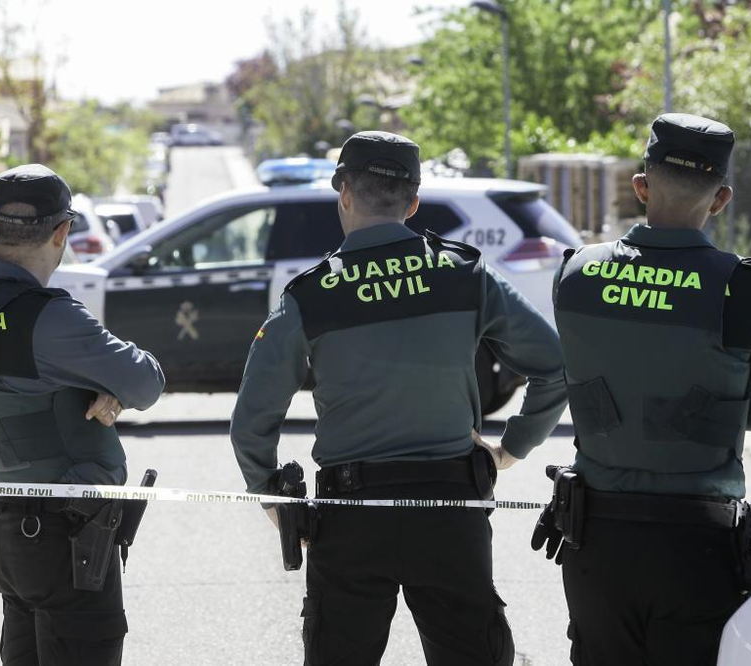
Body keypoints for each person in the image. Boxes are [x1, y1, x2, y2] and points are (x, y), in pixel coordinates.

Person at [230, 131, 568, 665]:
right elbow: (555, 365)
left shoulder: (310, 296)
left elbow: (252, 420)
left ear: (343, 194)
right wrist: (510, 450)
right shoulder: (465, 275)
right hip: (451, 511)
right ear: (413, 203)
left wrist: (272, 499)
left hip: (350, 518)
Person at [539, 113, 751, 665]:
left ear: (640, 186)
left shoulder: (577, 273)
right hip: (697, 544)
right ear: (721, 199)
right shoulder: (747, 290)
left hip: (595, 542)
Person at [0, 164, 165, 665]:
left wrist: (99, 384)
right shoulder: (50, 318)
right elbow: (147, 382)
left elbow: (19, 390)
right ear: (63, 233)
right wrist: (111, 386)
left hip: (11, 535)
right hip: (70, 539)